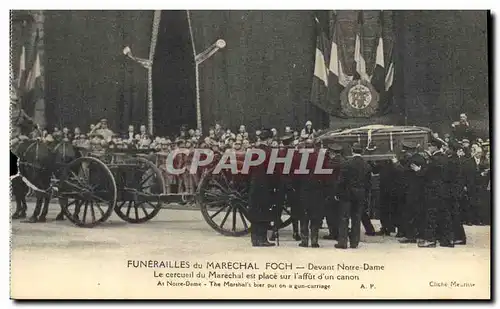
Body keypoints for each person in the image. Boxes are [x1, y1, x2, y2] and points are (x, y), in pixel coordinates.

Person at [335, 143, 372, 249]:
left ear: (352, 150)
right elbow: (368, 183)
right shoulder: (367, 165)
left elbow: (341, 181)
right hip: (360, 194)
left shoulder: (347, 164)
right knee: (356, 218)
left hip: (347, 194)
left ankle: (342, 242)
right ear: (362, 152)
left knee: (344, 218)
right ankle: (354, 242)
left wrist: (338, 193)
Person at [419, 137, 452, 248]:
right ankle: (446, 240)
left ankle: (430, 240)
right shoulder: (445, 158)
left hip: (433, 191)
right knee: (444, 215)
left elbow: (427, 174)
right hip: (444, 190)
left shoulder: (434, 159)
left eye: (430, 146)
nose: (428, 148)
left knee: (431, 215)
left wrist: (419, 171)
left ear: (434, 147)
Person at [248, 129, 275, 247]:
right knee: (264, 211)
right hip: (266, 184)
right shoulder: (270, 152)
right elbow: (273, 171)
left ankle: (254, 239)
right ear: (269, 139)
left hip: (254, 184)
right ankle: (263, 239)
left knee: (255, 211)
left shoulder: (254, 151)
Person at [297, 139, 325, 248]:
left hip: (304, 190)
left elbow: (296, 175)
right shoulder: (319, 157)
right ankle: (314, 241)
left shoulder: (301, 158)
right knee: (315, 217)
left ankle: (304, 241)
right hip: (317, 190)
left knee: (304, 217)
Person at [323, 143, 344, 240]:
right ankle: (337, 232)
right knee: (337, 213)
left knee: (331, 213)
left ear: (332, 152)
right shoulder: (342, 159)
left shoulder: (335, 161)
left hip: (333, 190)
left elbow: (326, 167)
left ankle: (334, 233)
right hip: (338, 190)